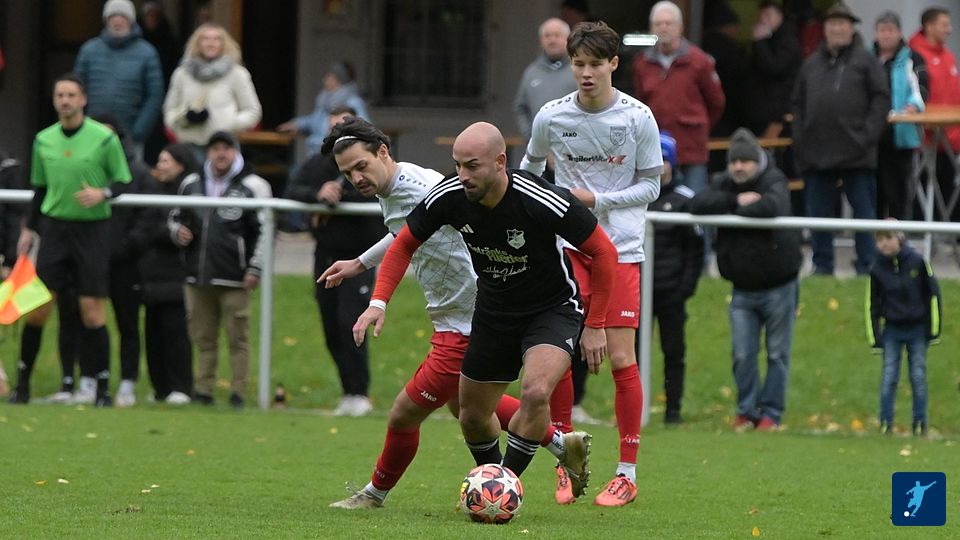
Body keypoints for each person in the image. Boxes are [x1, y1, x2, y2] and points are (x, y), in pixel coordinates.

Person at [317, 117, 591, 509]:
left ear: (383, 152)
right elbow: (405, 234)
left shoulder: (421, 187)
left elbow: (448, 219)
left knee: (404, 414)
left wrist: (378, 302)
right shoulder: (392, 189)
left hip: (471, 318)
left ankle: (374, 494)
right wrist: (360, 263)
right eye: (347, 173)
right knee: (464, 405)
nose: (356, 178)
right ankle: (559, 446)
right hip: (451, 315)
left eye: (361, 166)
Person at [520, 20, 660, 507]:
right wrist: (537, 210)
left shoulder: (638, 118)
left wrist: (595, 200)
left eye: (595, 64)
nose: (585, 73)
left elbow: (652, 185)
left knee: (621, 359)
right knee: (557, 355)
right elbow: (528, 171)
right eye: (578, 64)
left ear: (613, 64)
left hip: (619, 250)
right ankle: (566, 458)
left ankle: (627, 474)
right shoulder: (551, 115)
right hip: (566, 251)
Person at [8, 73, 132, 406]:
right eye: (60, 95)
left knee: (91, 311)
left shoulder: (103, 139)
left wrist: (103, 193)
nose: (65, 101)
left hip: (92, 231)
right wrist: (29, 229)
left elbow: (124, 181)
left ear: (83, 100)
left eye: (71, 95)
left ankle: (102, 390)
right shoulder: (43, 140)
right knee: (38, 309)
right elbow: (40, 189)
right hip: (55, 230)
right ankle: (22, 386)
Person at [689, 128, 802, 431]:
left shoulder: (775, 179)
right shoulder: (724, 184)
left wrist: (735, 206)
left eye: (745, 161)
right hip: (741, 289)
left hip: (780, 285)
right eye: (734, 161)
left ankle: (771, 415)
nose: (738, 167)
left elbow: (773, 206)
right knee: (742, 355)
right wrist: (736, 201)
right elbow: (698, 204)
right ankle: (746, 411)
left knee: (777, 354)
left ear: (758, 161)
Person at [283, 107, 386, 416]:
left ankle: (360, 392)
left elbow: (377, 193)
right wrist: (319, 194)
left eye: (344, 128)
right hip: (325, 255)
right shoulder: (318, 163)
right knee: (330, 326)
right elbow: (292, 189)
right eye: (332, 130)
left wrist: (339, 197)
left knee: (350, 322)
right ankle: (347, 392)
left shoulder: (370, 163)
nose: (338, 136)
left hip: (360, 257)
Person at [168, 131, 272, 408]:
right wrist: (178, 232)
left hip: (235, 277)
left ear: (235, 152)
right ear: (208, 153)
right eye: (215, 148)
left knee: (238, 338)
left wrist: (255, 268)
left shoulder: (253, 186)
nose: (221, 154)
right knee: (203, 338)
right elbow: (175, 217)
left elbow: (265, 230)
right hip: (197, 275)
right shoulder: (191, 183)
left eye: (226, 148)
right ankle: (203, 391)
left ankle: (238, 393)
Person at [791, 1, 889, 275]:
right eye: (832, 24)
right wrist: (801, 139)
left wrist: (867, 136)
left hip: (857, 152)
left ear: (851, 28)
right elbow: (797, 103)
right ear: (824, 29)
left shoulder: (866, 61)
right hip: (817, 153)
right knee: (819, 213)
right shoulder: (810, 64)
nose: (837, 29)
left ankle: (868, 264)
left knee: (864, 213)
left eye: (842, 24)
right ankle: (822, 265)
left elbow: (881, 100)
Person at [129, 143, 198, 405]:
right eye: (159, 160)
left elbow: (191, 228)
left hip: (176, 276)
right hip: (150, 276)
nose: (160, 166)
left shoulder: (189, 192)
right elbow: (147, 225)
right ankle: (160, 387)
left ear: (181, 164)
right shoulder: (152, 191)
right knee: (153, 333)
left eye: (165, 161)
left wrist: (171, 233)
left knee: (175, 332)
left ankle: (181, 387)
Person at [633, 1, 725, 195]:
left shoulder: (699, 61)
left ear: (680, 27)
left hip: (691, 150)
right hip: (656, 150)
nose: (663, 28)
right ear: (651, 28)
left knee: (695, 203)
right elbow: (640, 104)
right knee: (657, 203)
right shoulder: (642, 63)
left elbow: (716, 102)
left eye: (669, 23)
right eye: (658, 24)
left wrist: (698, 127)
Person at [649, 132, 703, 424]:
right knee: (633, 356)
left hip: (672, 292)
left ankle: (673, 412)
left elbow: (696, 250)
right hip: (639, 293)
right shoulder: (636, 196)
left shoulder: (686, 200)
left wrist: (685, 289)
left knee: (673, 352)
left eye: (664, 160)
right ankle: (634, 412)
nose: (659, 166)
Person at [867, 226, 941, 437]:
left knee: (918, 376)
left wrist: (933, 330)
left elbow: (933, 295)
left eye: (888, 237)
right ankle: (886, 423)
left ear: (899, 238)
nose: (884, 243)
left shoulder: (918, 262)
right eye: (880, 239)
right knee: (889, 377)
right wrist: (875, 336)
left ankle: (920, 423)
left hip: (917, 329)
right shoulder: (877, 269)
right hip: (892, 329)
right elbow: (872, 304)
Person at [74, 0, 164, 161]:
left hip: (130, 136)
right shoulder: (89, 50)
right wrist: (81, 123)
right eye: (112, 16)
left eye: (123, 16)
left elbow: (155, 96)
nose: (117, 21)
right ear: (106, 20)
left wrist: (139, 131)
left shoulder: (147, 53)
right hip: (91, 131)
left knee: (128, 176)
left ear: (131, 20)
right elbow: (76, 89)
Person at [163, 23, 262, 153]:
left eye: (216, 39)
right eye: (205, 39)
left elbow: (253, 111)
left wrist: (228, 125)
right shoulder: (182, 74)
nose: (211, 43)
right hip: (189, 146)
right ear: (197, 43)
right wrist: (184, 119)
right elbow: (169, 111)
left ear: (224, 44)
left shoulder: (237, 74)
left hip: (223, 146)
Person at [874, 11, 928, 220]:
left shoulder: (912, 58)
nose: (886, 35)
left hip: (900, 133)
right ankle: (874, 235)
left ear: (899, 32)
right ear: (876, 33)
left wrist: (913, 105)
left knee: (898, 190)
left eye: (890, 30)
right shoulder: (867, 58)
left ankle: (899, 234)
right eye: (882, 30)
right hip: (872, 135)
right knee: (874, 190)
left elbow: (921, 88)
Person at [909, 7, 960, 221]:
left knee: (949, 192)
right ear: (929, 26)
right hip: (926, 139)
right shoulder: (914, 55)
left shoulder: (948, 56)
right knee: (924, 193)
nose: (949, 30)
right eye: (944, 25)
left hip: (951, 138)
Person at [278, 62, 370, 158]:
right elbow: (315, 120)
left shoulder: (354, 102)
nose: (325, 80)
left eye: (329, 76)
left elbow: (363, 129)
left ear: (338, 80)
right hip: (315, 152)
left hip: (336, 155)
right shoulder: (325, 100)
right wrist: (297, 124)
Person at [512, 18, 578, 141]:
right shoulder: (531, 72)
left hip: (574, 144)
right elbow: (520, 107)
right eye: (547, 36)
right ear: (541, 40)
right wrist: (530, 135)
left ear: (568, 39)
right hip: (539, 146)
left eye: (557, 35)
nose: (552, 40)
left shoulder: (579, 69)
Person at [746, 1, 802, 138]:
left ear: (780, 16)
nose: (763, 20)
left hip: (778, 109)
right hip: (763, 106)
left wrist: (759, 42)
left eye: (768, 15)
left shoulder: (788, 40)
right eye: (761, 16)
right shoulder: (769, 38)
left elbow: (775, 67)